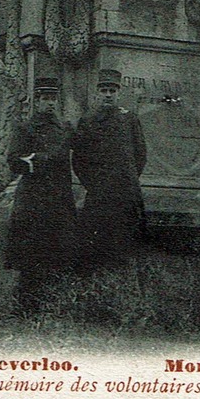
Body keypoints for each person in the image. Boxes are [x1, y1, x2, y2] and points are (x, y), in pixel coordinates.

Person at [4, 74, 77, 310]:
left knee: (58, 251)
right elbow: (14, 161)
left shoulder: (65, 129)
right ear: (37, 100)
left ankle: (53, 307)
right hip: (33, 199)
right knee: (31, 255)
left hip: (59, 197)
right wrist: (42, 160)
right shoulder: (25, 128)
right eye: (45, 98)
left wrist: (40, 158)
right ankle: (25, 308)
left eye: (53, 98)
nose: (50, 103)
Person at [72, 68, 147, 268]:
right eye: (104, 90)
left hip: (126, 192)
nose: (108, 95)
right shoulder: (88, 120)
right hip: (99, 193)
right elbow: (79, 159)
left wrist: (127, 178)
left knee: (126, 244)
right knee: (96, 246)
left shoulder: (129, 119)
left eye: (112, 91)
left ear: (118, 93)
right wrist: (93, 184)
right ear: (97, 92)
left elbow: (140, 154)